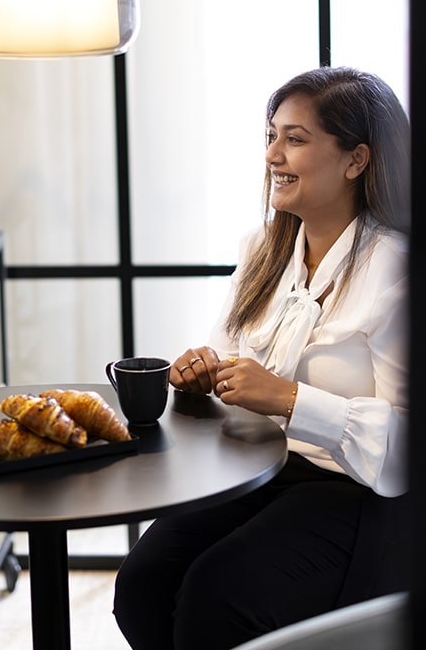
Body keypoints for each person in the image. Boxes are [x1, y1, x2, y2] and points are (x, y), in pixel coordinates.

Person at [113, 66, 410, 649]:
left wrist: (290, 398)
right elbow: (226, 357)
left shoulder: (395, 270)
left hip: (354, 495)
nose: (273, 154)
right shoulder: (262, 248)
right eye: (270, 135)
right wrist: (198, 374)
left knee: (215, 598)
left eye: (295, 139)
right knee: (142, 584)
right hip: (252, 472)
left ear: (356, 159)